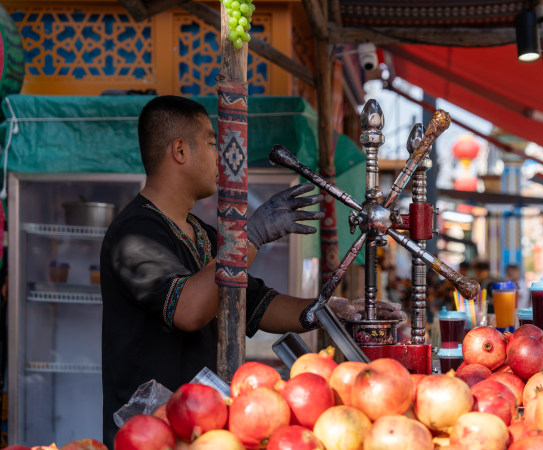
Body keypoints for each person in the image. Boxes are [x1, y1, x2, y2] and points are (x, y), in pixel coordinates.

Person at [101, 96, 401, 445]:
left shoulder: (202, 233)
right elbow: (189, 309)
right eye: (212, 142)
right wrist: (252, 237)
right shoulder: (134, 233)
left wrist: (328, 311)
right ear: (180, 151)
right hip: (150, 432)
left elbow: (253, 303)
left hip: (203, 426)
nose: (220, 155)